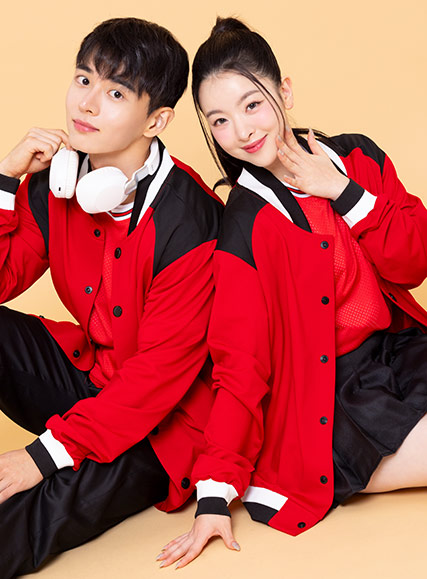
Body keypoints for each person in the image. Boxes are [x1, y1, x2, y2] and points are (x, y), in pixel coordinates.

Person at [0, 17, 223, 578]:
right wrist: (4, 178)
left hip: (162, 424)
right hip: (92, 379)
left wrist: (43, 455)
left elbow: (156, 380)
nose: (87, 103)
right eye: (83, 79)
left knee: (33, 502)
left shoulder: (192, 223)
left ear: (156, 119)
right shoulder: (58, 183)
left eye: (116, 93)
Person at [157, 17, 427, 569]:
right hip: (330, 393)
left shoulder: (357, 159)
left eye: (252, 104)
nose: (242, 130)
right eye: (220, 121)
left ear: (284, 92)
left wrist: (344, 192)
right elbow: (240, 361)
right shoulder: (244, 224)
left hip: (401, 351)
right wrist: (214, 493)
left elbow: (413, 262)